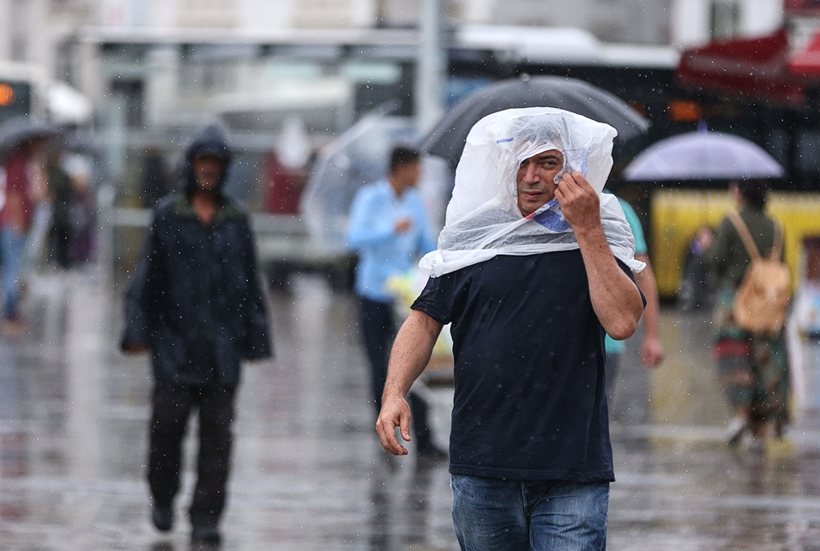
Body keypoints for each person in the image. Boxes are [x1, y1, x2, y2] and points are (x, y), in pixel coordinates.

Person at [375, 107, 645, 550]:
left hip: (571, 469)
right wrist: (394, 392)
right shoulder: (477, 234)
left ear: (572, 169)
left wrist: (588, 229)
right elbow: (423, 321)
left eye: (547, 163)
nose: (531, 176)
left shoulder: (596, 233)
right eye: (522, 161)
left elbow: (621, 322)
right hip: (483, 465)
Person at [120, 124, 273, 544]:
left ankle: (207, 516)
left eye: (215, 164)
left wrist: (256, 338)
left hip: (222, 351)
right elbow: (146, 278)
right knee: (166, 432)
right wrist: (137, 329)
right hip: (174, 346)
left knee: (217, 442)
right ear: (190, 167)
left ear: (224, 169)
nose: (208, 170)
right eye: (202, 163)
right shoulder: (168, 215)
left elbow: (250, 282)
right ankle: (163, 497)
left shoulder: (235, 219)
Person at [346, 146, 444, 458]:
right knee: (378, 364)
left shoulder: (415, 201)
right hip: (374, 291)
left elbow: (425, 242)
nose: (420, 175)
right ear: (401, 168)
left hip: (405, 292)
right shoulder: (371, 198)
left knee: (414, 362)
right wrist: (390, 230)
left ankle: (424, 438)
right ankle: (385, 430)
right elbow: (354, 239)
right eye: (417, 168)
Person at [702, 179, 789, 448]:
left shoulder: (731, 223)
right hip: (767, 303)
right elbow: (780, 265)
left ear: (740, 192)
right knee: (765, 358)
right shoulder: (777, 227)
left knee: (735, 358)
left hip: (735, 302)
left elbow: (714, 260)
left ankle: (740, 414)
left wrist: (707, 245)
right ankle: (762, 425)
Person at [604, 195, 664, 409]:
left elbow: (642, 272)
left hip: (605, 340)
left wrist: (652, 336)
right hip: (601, 341)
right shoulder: (620, 207)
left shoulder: (618, 208)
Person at [0, 137, 48, 331]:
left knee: (14, 267)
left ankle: (11, 312)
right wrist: (18, 222)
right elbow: (14, 194)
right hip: (13, 224)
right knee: (13, 267)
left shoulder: (26, 164)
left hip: (17, 223)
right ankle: (10, 313)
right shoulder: (18, 163)